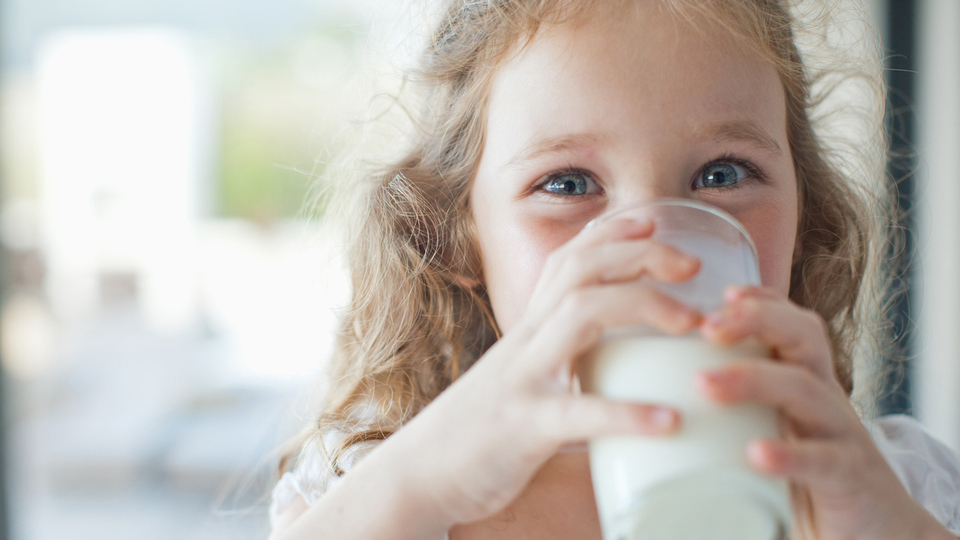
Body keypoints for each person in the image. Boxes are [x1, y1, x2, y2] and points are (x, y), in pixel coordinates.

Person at [268, 0, 960, 538]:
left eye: (722, 174)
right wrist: (418, 486)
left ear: (804, 213)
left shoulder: (893, 490)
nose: (655, 246)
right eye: (567, 184)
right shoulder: (380, 496)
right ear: (458, 237)